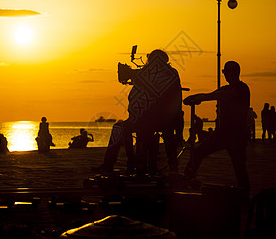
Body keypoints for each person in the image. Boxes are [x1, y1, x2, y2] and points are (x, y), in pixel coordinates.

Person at [99, 49, 183, 174]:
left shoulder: (155, 74)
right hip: (165, 121)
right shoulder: (169, 73)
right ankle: (171, 166)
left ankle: (112, 164)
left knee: (119, 128)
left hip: (155, 120)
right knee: (125, 128)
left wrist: (132, 74)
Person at [183, 61, 250, 198]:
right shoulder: (224, 88)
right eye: (225, 73)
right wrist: (195, 97)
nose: (226, 75)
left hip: (237, 134)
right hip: (223, 132)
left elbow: (219, 95)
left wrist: (202, 98)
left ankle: (244, 195)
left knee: (239, 166)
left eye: (228, 72)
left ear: (236, 72)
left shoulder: (242, 88)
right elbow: (211, 94)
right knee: (199, 152)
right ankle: (187, 178)